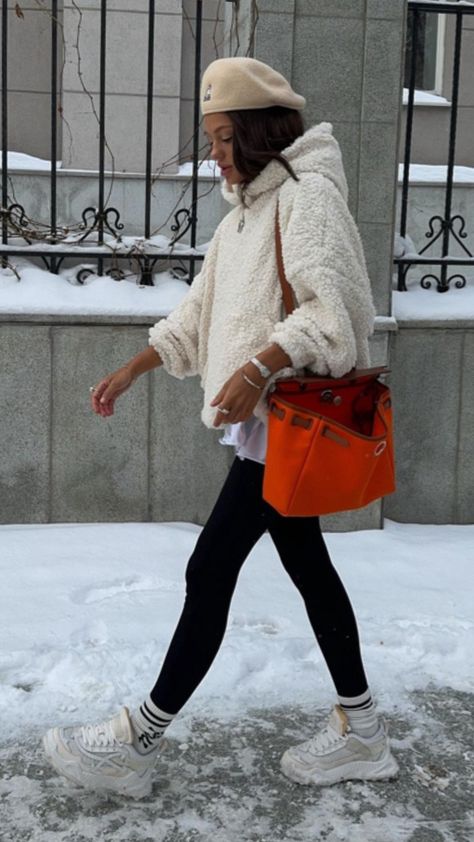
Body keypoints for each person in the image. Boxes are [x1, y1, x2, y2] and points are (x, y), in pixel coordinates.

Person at [43, 57, 399, 799]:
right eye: (210, 139)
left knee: (210, 571)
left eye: (221, 138)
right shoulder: (246, 212)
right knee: (307, 568)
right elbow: (201, 309)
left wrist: (256, 368)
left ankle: (138, 740)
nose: (213, 155)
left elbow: (335, 315)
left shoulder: (309, 200)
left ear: (258, 133)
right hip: (270, 434)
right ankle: (362, 729)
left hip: (286, 428)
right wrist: (135, 366)